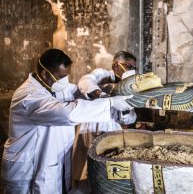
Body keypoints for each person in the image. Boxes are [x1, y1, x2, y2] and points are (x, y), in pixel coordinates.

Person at [1, 49, 133, 193]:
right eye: (62, 76)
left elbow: (79, 91)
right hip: (26, 170)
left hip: (51, 159)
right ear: (45, 74)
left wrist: (109, 91)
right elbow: (67, 113)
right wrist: (110, 103)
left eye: (67, 76)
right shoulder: (29, 96)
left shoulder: (54, 85)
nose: (65, 81)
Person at [73, 51, 138, 183]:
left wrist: (125, 110)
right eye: (128, 66)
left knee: (106, 172)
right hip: (92, 125)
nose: (131, 71)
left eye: (133, 68)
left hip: (112, 129)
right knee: (86, 170)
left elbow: (130, 117)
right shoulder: (102, 74)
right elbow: (85, 82)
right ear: (115, 66)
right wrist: (101, 95)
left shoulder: (129, 85)